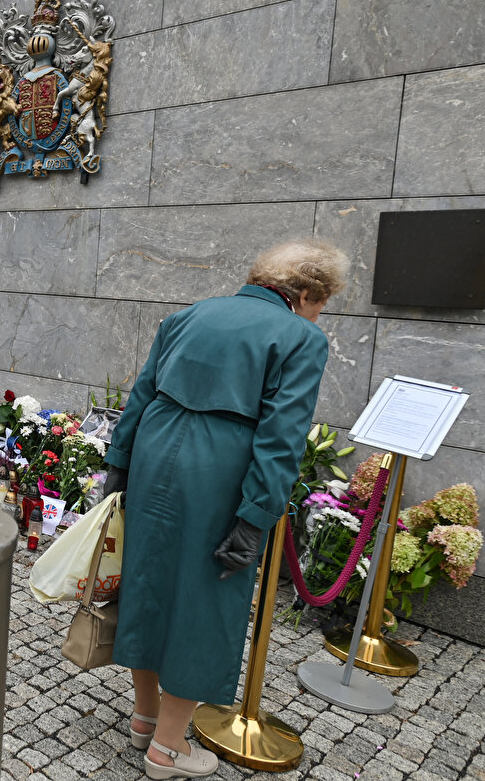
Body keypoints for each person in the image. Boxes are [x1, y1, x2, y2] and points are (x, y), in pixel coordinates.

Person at [102, 240, 348, 779]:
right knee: (207, 600)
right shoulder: (301, 336)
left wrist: (118, 463)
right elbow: (282, 436)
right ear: (304, 293)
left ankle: (146, 718)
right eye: (321, 302)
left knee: (147, 581)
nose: (318, 312)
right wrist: (256, 514)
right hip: (220, 470)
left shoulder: (192, 314)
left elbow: (141, 393)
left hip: (155, 452)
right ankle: (167, 749)